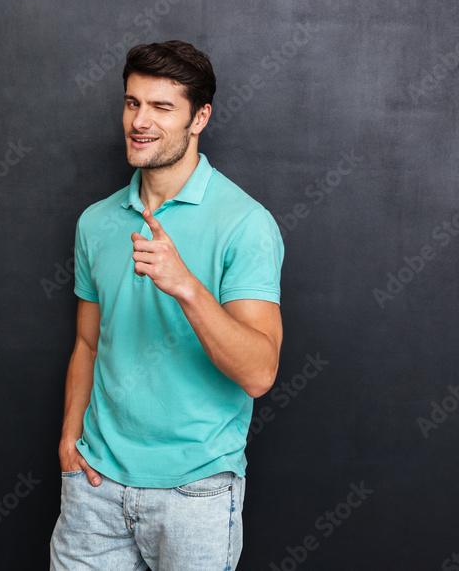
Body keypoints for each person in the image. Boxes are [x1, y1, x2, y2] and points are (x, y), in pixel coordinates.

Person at [50, 40, 285, 570]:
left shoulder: (245, 224)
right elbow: (88, 341)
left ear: (199, 117)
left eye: (162, 107)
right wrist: (70, 437)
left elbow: (260, 373)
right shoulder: (97, 221)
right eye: (133, 103)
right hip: (94, 488)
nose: (140, 121)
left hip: (195, 494)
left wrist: (186, 285)